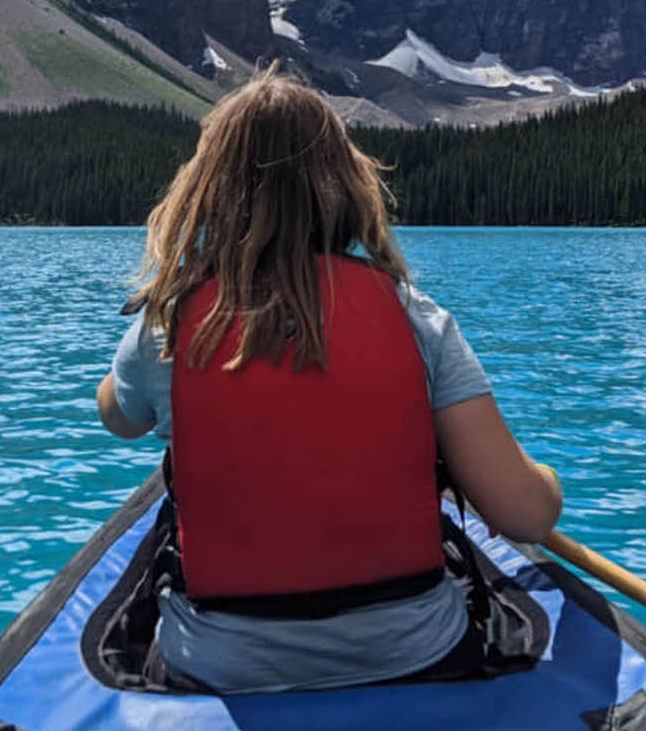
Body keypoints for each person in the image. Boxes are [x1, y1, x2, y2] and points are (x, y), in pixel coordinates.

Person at [95, 65, 562, 693]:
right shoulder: (415, 318)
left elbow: (120, 420)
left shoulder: (170, 327)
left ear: (206, 191)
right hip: (416, 655)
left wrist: (131, 364)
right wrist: (546, 482)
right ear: (344, 187)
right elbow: (529, 517)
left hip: (217, 666)